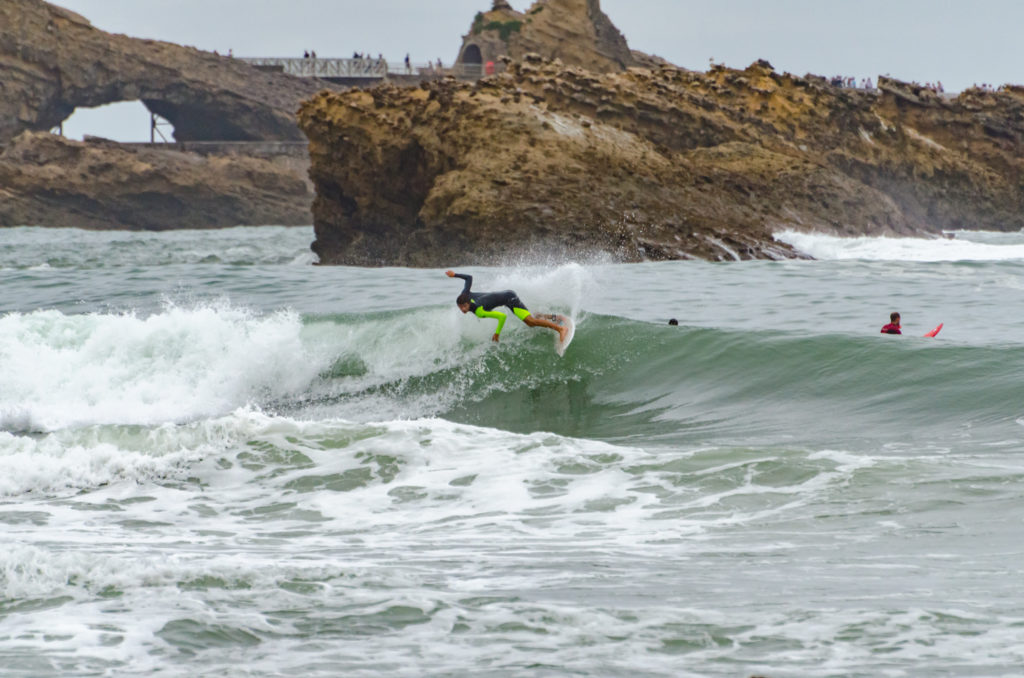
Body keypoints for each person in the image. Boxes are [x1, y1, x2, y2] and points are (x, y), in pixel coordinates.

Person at [446, 270, 568, 343]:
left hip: (509, 299)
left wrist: (497, 333)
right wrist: (454, 275)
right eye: (460, 307)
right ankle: (554, 317)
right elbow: (469, 278)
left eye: (464, 307)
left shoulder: (479, 311)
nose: (463, 310)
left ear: (468, 303)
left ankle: (560, 329)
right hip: (506, 295)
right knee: (530, 316)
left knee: (530, 322)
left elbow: (502, 317)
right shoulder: (464, 294)